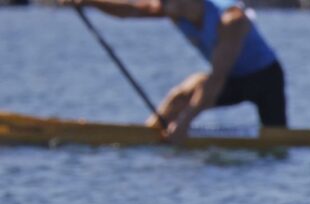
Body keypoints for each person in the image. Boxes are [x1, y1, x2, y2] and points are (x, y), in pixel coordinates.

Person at [61, 0, 287, 142]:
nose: (161, 4)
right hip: (231, 77)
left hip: (265, 79)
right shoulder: (176, 8)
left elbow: (217, 79)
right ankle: (146, 135)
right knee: (180, 96)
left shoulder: (231, 20)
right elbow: (130, 9)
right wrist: (89, 2)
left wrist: (186, 123)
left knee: (278, 139)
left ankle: (292, 138)